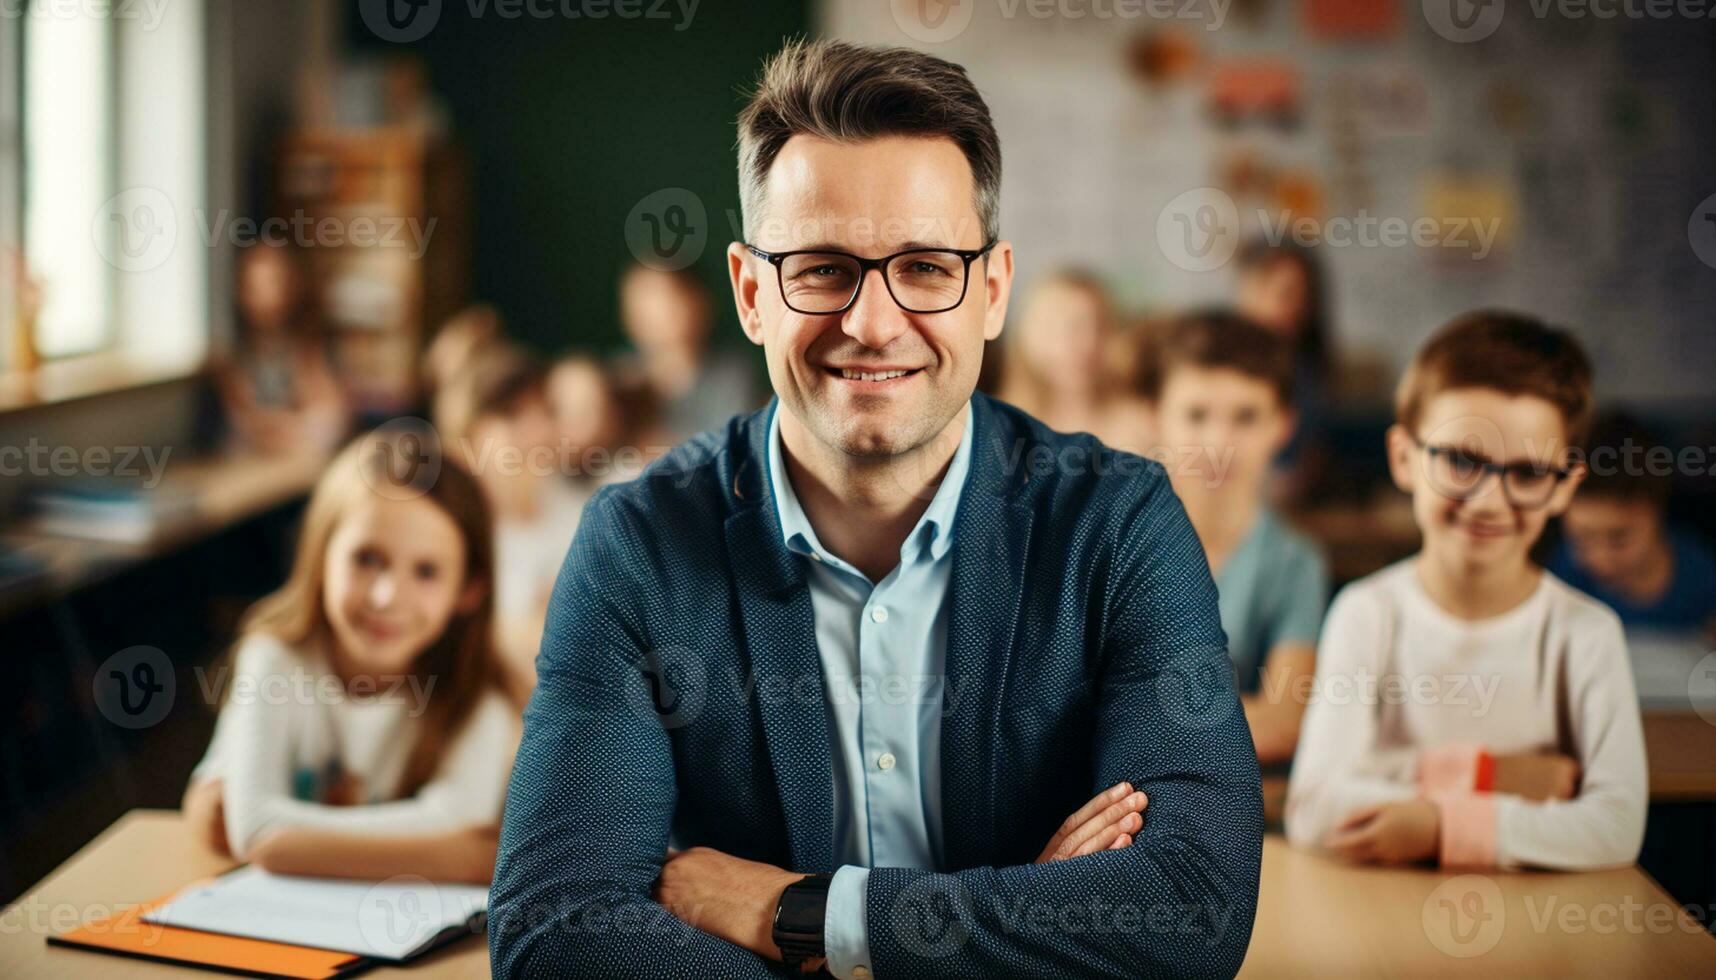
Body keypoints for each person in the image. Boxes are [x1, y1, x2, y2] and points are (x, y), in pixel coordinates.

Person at [489, 40, 1260, 979]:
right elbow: (553, 936)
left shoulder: (1119, 525)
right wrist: (1020, 937)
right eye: (820, 268)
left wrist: (798, 916)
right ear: (750, 293)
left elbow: (1190, 907)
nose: (872, 322)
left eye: (927, 267)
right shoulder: (637, 547)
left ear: (992, 290)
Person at [1285, 311, 1647, 870]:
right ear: (1404, 458)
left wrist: (1438, 821)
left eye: (1527, 473)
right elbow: (1314, 808)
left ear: (1563, 490)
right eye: (1461, 461)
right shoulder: (1366, 613)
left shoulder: (1586, 633)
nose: (1487, 502)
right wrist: (1494, 776)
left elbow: (1615, 826)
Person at [180, 429, 520, 882]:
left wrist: (285, 840)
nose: (386, 596)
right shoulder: (273, 660)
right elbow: (253, 829)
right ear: (322, 556)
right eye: (366, 558)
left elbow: (458, 820)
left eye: (426, 571)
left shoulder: (480, 692)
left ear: (469, 590)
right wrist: (443, 857)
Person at [1141, 310, 1328, 765]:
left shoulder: (1295, 563)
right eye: (1196, 414)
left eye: (1246, 416)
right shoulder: (1106, 545)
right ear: (1157, 417)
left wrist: (1130, 725)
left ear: (1282, 427)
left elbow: (1284, 722)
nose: (1218, 442)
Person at [435, 346, 591, 706]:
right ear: (469, 431)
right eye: (513, 414)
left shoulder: (586, 515)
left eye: (546, 412)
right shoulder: (447, 529)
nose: (536, 430)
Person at [1551, 413, 1716, 640]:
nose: (1601, 560)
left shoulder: (1703, 578)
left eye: (1618, 539)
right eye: (1581, 540)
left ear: (1657, 512)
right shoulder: (1563, 578)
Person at [994, 269, 1153, 453]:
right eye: (1053, 327)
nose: (1077, 344)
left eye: (1095, 326)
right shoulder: (997, 426)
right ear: (1025, 336)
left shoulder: (1141, 422)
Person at [216, 243, 350, 456]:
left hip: (296, 463)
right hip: (246, 464)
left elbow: (331, 423)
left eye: (274, 282)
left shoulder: (308, 345)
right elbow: (252, 426)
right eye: (256, 286)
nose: (267, 296)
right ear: (240, 290)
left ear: (293, 285)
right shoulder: (229, 352)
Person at [613, 263, 762, 442]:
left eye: (668, 296)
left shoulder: (733, 375)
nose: (659, 311)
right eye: (640, 300)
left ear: (699, 303)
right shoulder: (617, 378)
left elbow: (730, 447)